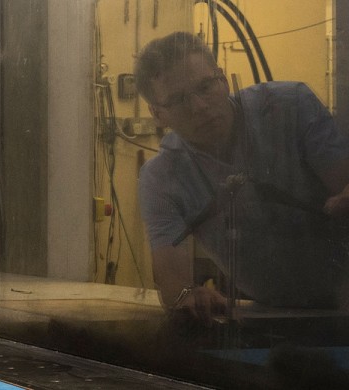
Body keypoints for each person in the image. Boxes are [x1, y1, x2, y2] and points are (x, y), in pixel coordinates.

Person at [135, 32, 349, 324]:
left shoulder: (290, 106)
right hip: (273, 314)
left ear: (222, 78)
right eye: (179, 99)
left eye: (206, 86)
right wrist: (188, 296)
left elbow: (344, 185)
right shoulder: (161, 178)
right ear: (157, 114)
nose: (199, 107)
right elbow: (172, 279)